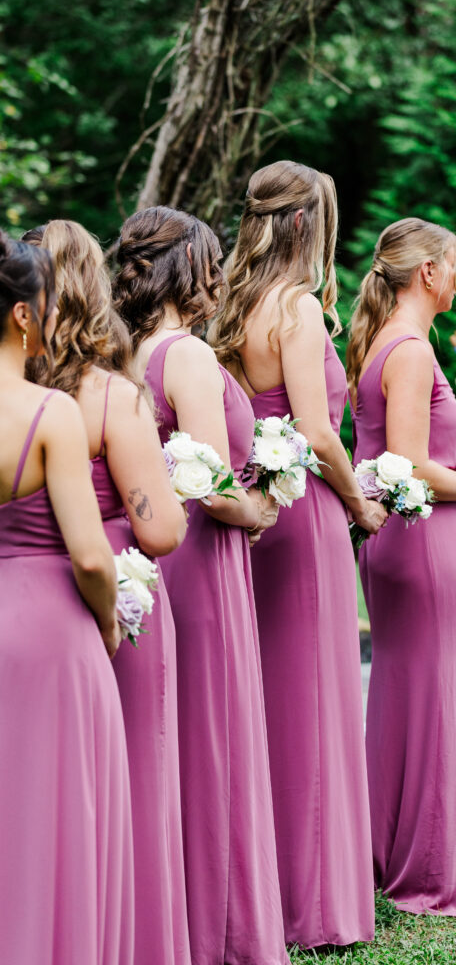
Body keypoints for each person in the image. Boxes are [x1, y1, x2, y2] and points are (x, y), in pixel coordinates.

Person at [209, 160, 386, 948]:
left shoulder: (229, 300)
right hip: (307, 512)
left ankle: (264, 889)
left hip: (257, 512)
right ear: (308, 224)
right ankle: (315, 907)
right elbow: (316, 434)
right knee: (314, 701)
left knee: (272, 700)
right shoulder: (299, 307)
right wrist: (359, 503)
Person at [114, 205, 289, 965]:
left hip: (158, 562)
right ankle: (221, 930)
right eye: (211, 262)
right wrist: (258, 507)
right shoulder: (183, 354)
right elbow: (212, 482)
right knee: (212, 738)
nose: (219, 278)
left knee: (175, 739)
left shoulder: (124, 353)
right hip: (203, 559)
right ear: (187, 268)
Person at [24, 219, 191, 965]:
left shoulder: (16, 393)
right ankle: (140, 942)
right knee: (138, 779)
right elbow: (158, 534)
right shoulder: (108, 397)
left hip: (26, 601)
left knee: (42, 793)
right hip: (110, 594)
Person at [346, 217, 456, 915]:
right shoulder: (410, 351)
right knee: (434, 698)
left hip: (403, 544)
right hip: (420, 542)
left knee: (405, 696)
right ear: (429, 274)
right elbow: (409, 463)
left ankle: (391, 848)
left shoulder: (391, 343)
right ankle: (433, 868)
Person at [0, 231, 134, 963]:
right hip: (49, 633)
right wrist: (110, 618)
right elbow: (89, 554)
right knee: (56, 814)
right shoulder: (49, 412)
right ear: (25, 316)